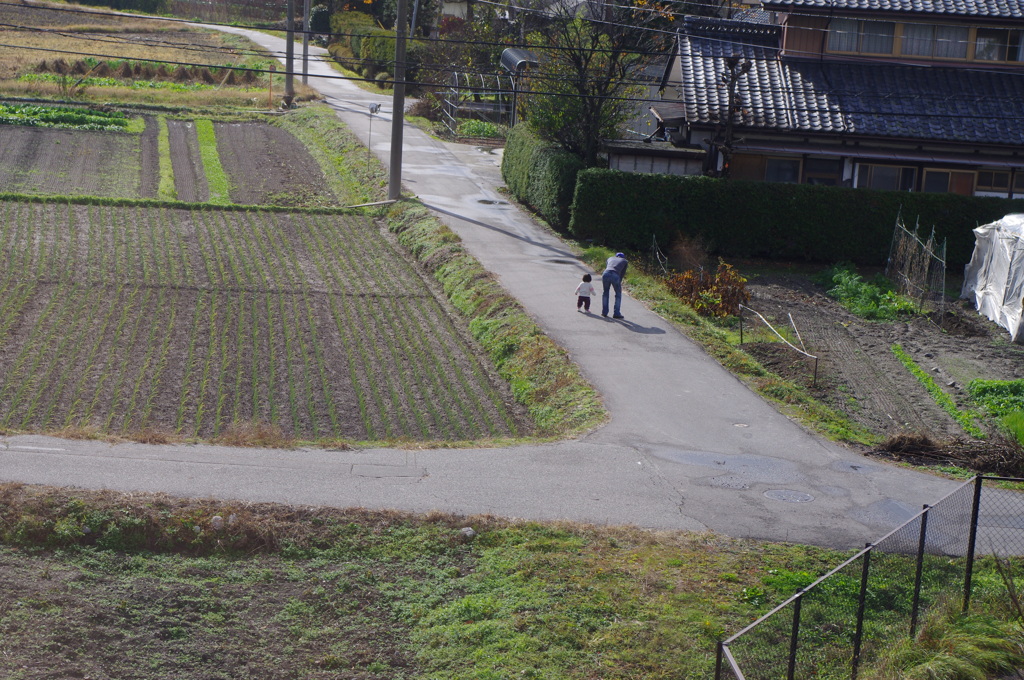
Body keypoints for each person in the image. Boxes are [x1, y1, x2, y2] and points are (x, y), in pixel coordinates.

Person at [601, 252, 628, 318]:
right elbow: (622, 273)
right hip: (615, 274)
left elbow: (608, 267)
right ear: (623, 257)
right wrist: (619, 282)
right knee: (618, 294)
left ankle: (604, 312)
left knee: (606, 292)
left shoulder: (610, 258)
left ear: (616, 256)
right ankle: (616, 313)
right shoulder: (625, 261)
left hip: (605, 273)